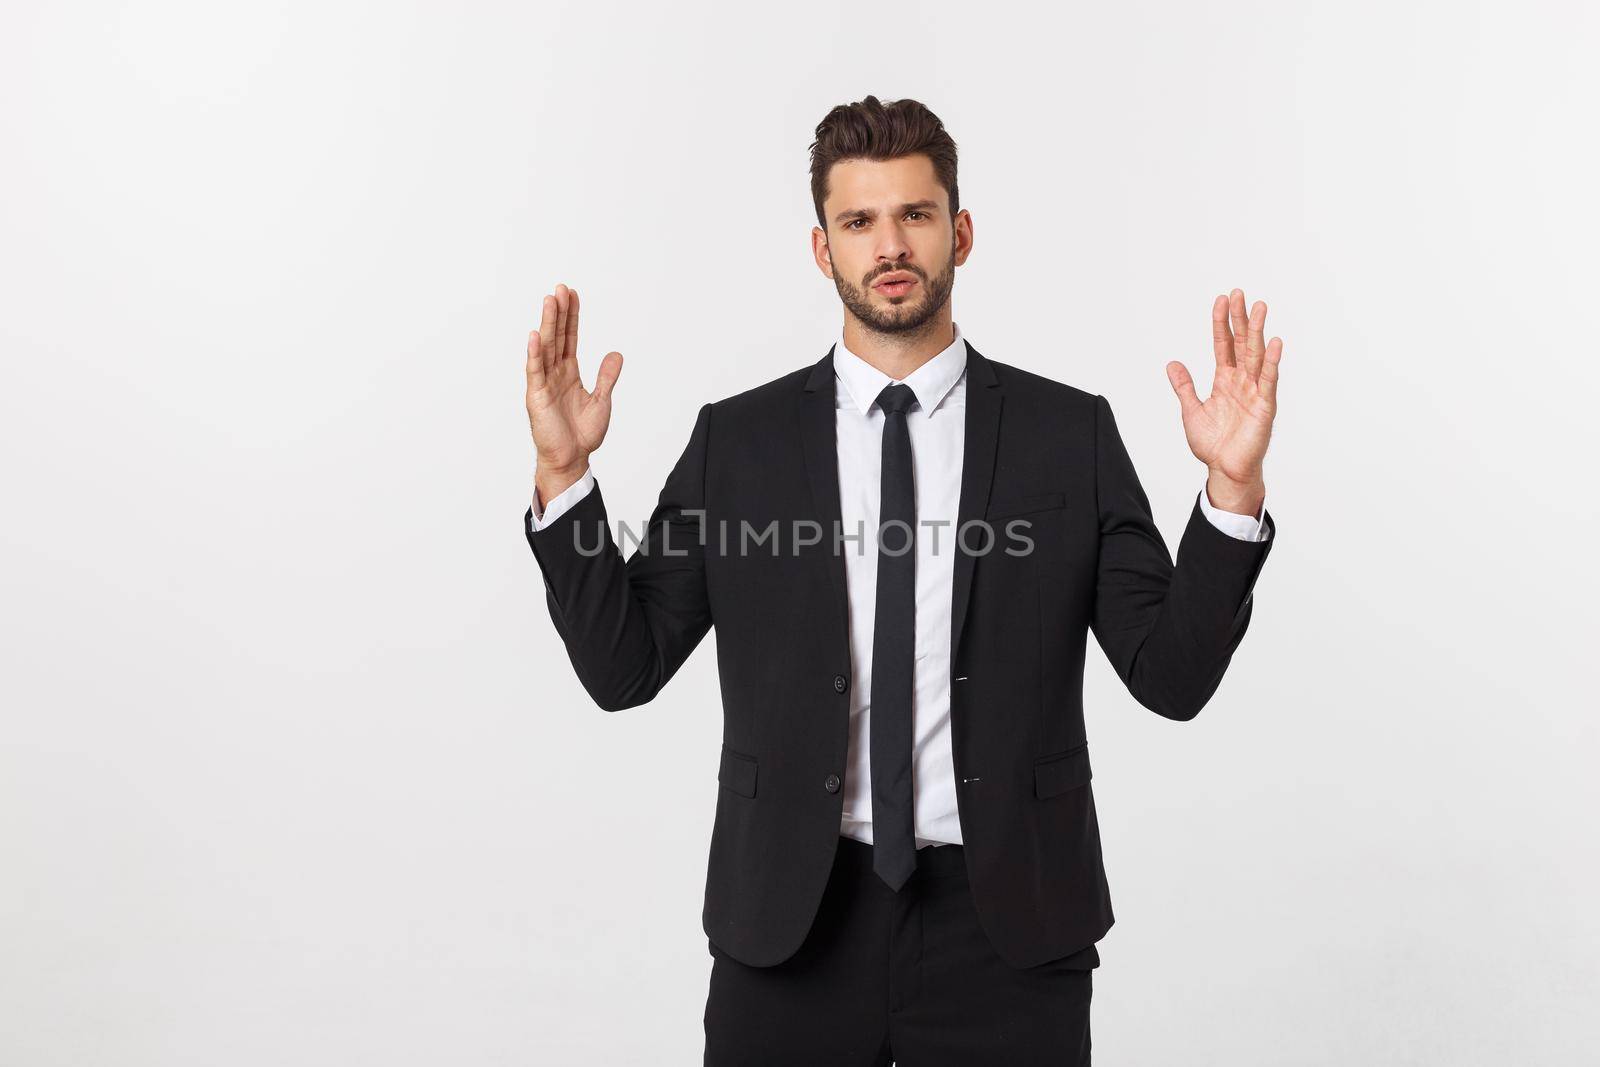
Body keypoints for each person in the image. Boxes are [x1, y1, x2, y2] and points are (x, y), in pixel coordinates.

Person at [521, 95, 1282, 1066]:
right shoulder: (739, 443)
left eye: (915, 215)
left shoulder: (1067, 436)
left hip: (1009, 930)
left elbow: (1170, 677)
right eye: (859, 220)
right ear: (821, 248)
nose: (890, 244)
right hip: (788, 925)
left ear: (958, 232)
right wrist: (564, 478)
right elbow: (622, 666)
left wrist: (1230, 486)